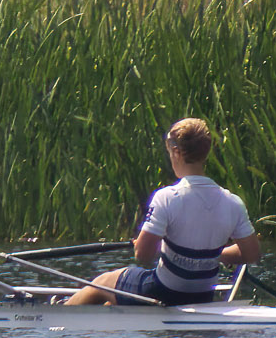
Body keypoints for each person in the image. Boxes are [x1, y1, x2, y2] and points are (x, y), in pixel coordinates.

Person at [67, 118, 261, 307]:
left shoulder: (167, 197)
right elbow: (252, 254)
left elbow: (142, 255)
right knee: (111, 300)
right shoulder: (233, 202)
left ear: (176, 152)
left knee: (102, 282)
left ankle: (58, 318)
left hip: (163, 292)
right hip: (203, 295)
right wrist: (208, 256)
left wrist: (146, 243)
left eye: (169, 153)